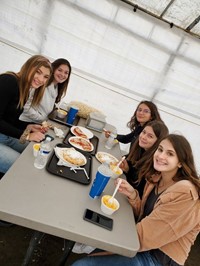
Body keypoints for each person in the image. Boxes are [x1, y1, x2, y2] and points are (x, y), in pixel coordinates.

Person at [71, 134, 200, 266]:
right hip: (140, 243)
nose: (161, 156)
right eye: (160, 150)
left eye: (170, 154)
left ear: (180, 162)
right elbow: (146, 217)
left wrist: (104, 238)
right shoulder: (156, 179)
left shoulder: (186, 193)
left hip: (157, 258)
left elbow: (149, 234)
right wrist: (133, 196)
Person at [0, 55, 52, 175]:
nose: (40, 79)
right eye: (38, 72)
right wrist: (27, 136)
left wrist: (28, 127)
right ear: (29, 67)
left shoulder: (26, 89)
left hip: (5, 136)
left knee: (35, 155)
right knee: (24, 167)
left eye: (45, 77)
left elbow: (9, 119)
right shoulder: (8, 81)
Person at [120, 120, 168, 198]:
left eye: (150, 136)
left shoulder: (156, 163)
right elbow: (128, 160)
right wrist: (126, 167)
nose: (143, 137)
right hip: (123, 188)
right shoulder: (140, 148)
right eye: (144, 132)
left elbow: (140, 190)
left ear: (158, 142)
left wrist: (128, 171)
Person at [19, 58, 71, 123]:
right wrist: (42, 118)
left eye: (66, 73)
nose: (63, 75)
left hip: (39, 123)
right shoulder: (40, 84)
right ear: (53, 69)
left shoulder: (56, 87)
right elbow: (25, 107)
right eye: (60, 70)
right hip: (26, 122)